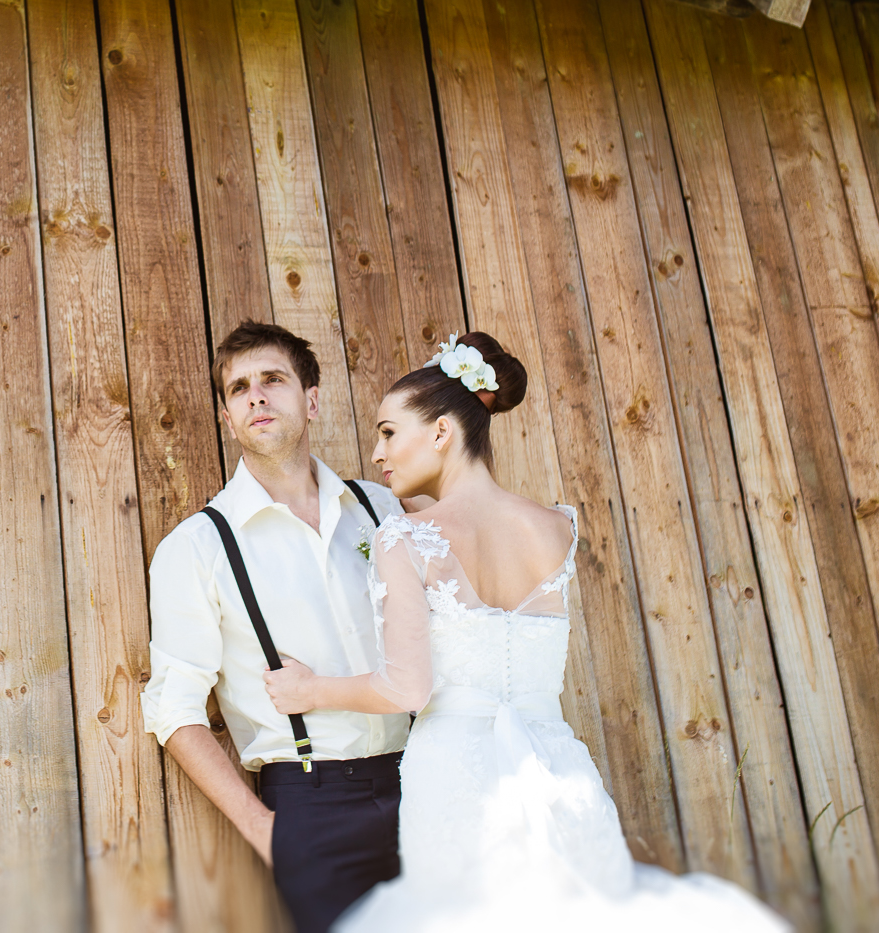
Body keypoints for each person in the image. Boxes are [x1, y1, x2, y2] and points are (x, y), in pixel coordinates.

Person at [264, 332, 787, 931]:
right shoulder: (556, 528)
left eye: (388, 431)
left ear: (440, 432)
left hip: (459, 780)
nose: (378, 453)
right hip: (556, 768)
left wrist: (310, 692)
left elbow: (408, 690)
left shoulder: (405, 537)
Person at [141, 321, 408, 933]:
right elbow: (174, 707)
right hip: (313, 808)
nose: (256, 396)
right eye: (239, 389)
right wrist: (266, 830)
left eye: (272, 380)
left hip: (428, 778)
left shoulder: (381, 510)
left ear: (311, 399)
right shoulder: (199, 547)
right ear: (229, 418)